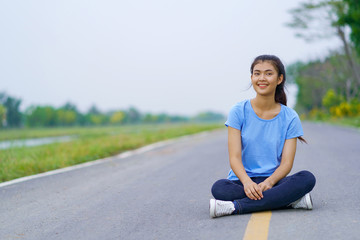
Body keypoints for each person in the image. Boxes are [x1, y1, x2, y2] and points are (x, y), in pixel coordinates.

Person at [210, 55, 316, 218]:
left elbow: (287, 164)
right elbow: (235, 158)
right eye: (257, 73)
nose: (262, 78)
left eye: (268, 73)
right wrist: (247, 182)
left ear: (279, 79)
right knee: (219, 188)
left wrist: (269, 182)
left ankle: (235, 207)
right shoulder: (238, 111)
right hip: (242, 182)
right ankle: (288, 201)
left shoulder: (290, 117)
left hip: (274, 182)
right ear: (252, 77)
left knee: (307, 178)